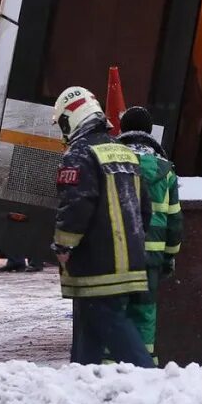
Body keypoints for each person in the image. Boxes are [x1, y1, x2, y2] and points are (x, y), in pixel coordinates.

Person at [49, 86, 153, 367]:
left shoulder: (79, 155)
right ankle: (80, 380)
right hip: (129, 262)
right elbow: (145, 209)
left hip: (96, 266)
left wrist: (63, 246)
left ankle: (152, 378)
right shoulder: (125, 152)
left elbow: (75, 205)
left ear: (71, 119)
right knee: (89, 332)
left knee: (111, 324)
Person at [118, 106, 184, 364]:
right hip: (152, 257)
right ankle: (144, 365)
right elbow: (174, 221)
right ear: (149, 132)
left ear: (122, 130)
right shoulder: (165, 170)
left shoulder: (112, 163)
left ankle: (110, 366)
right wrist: (169, 258)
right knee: (145, 314)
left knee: (116, 311)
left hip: (118, 253)